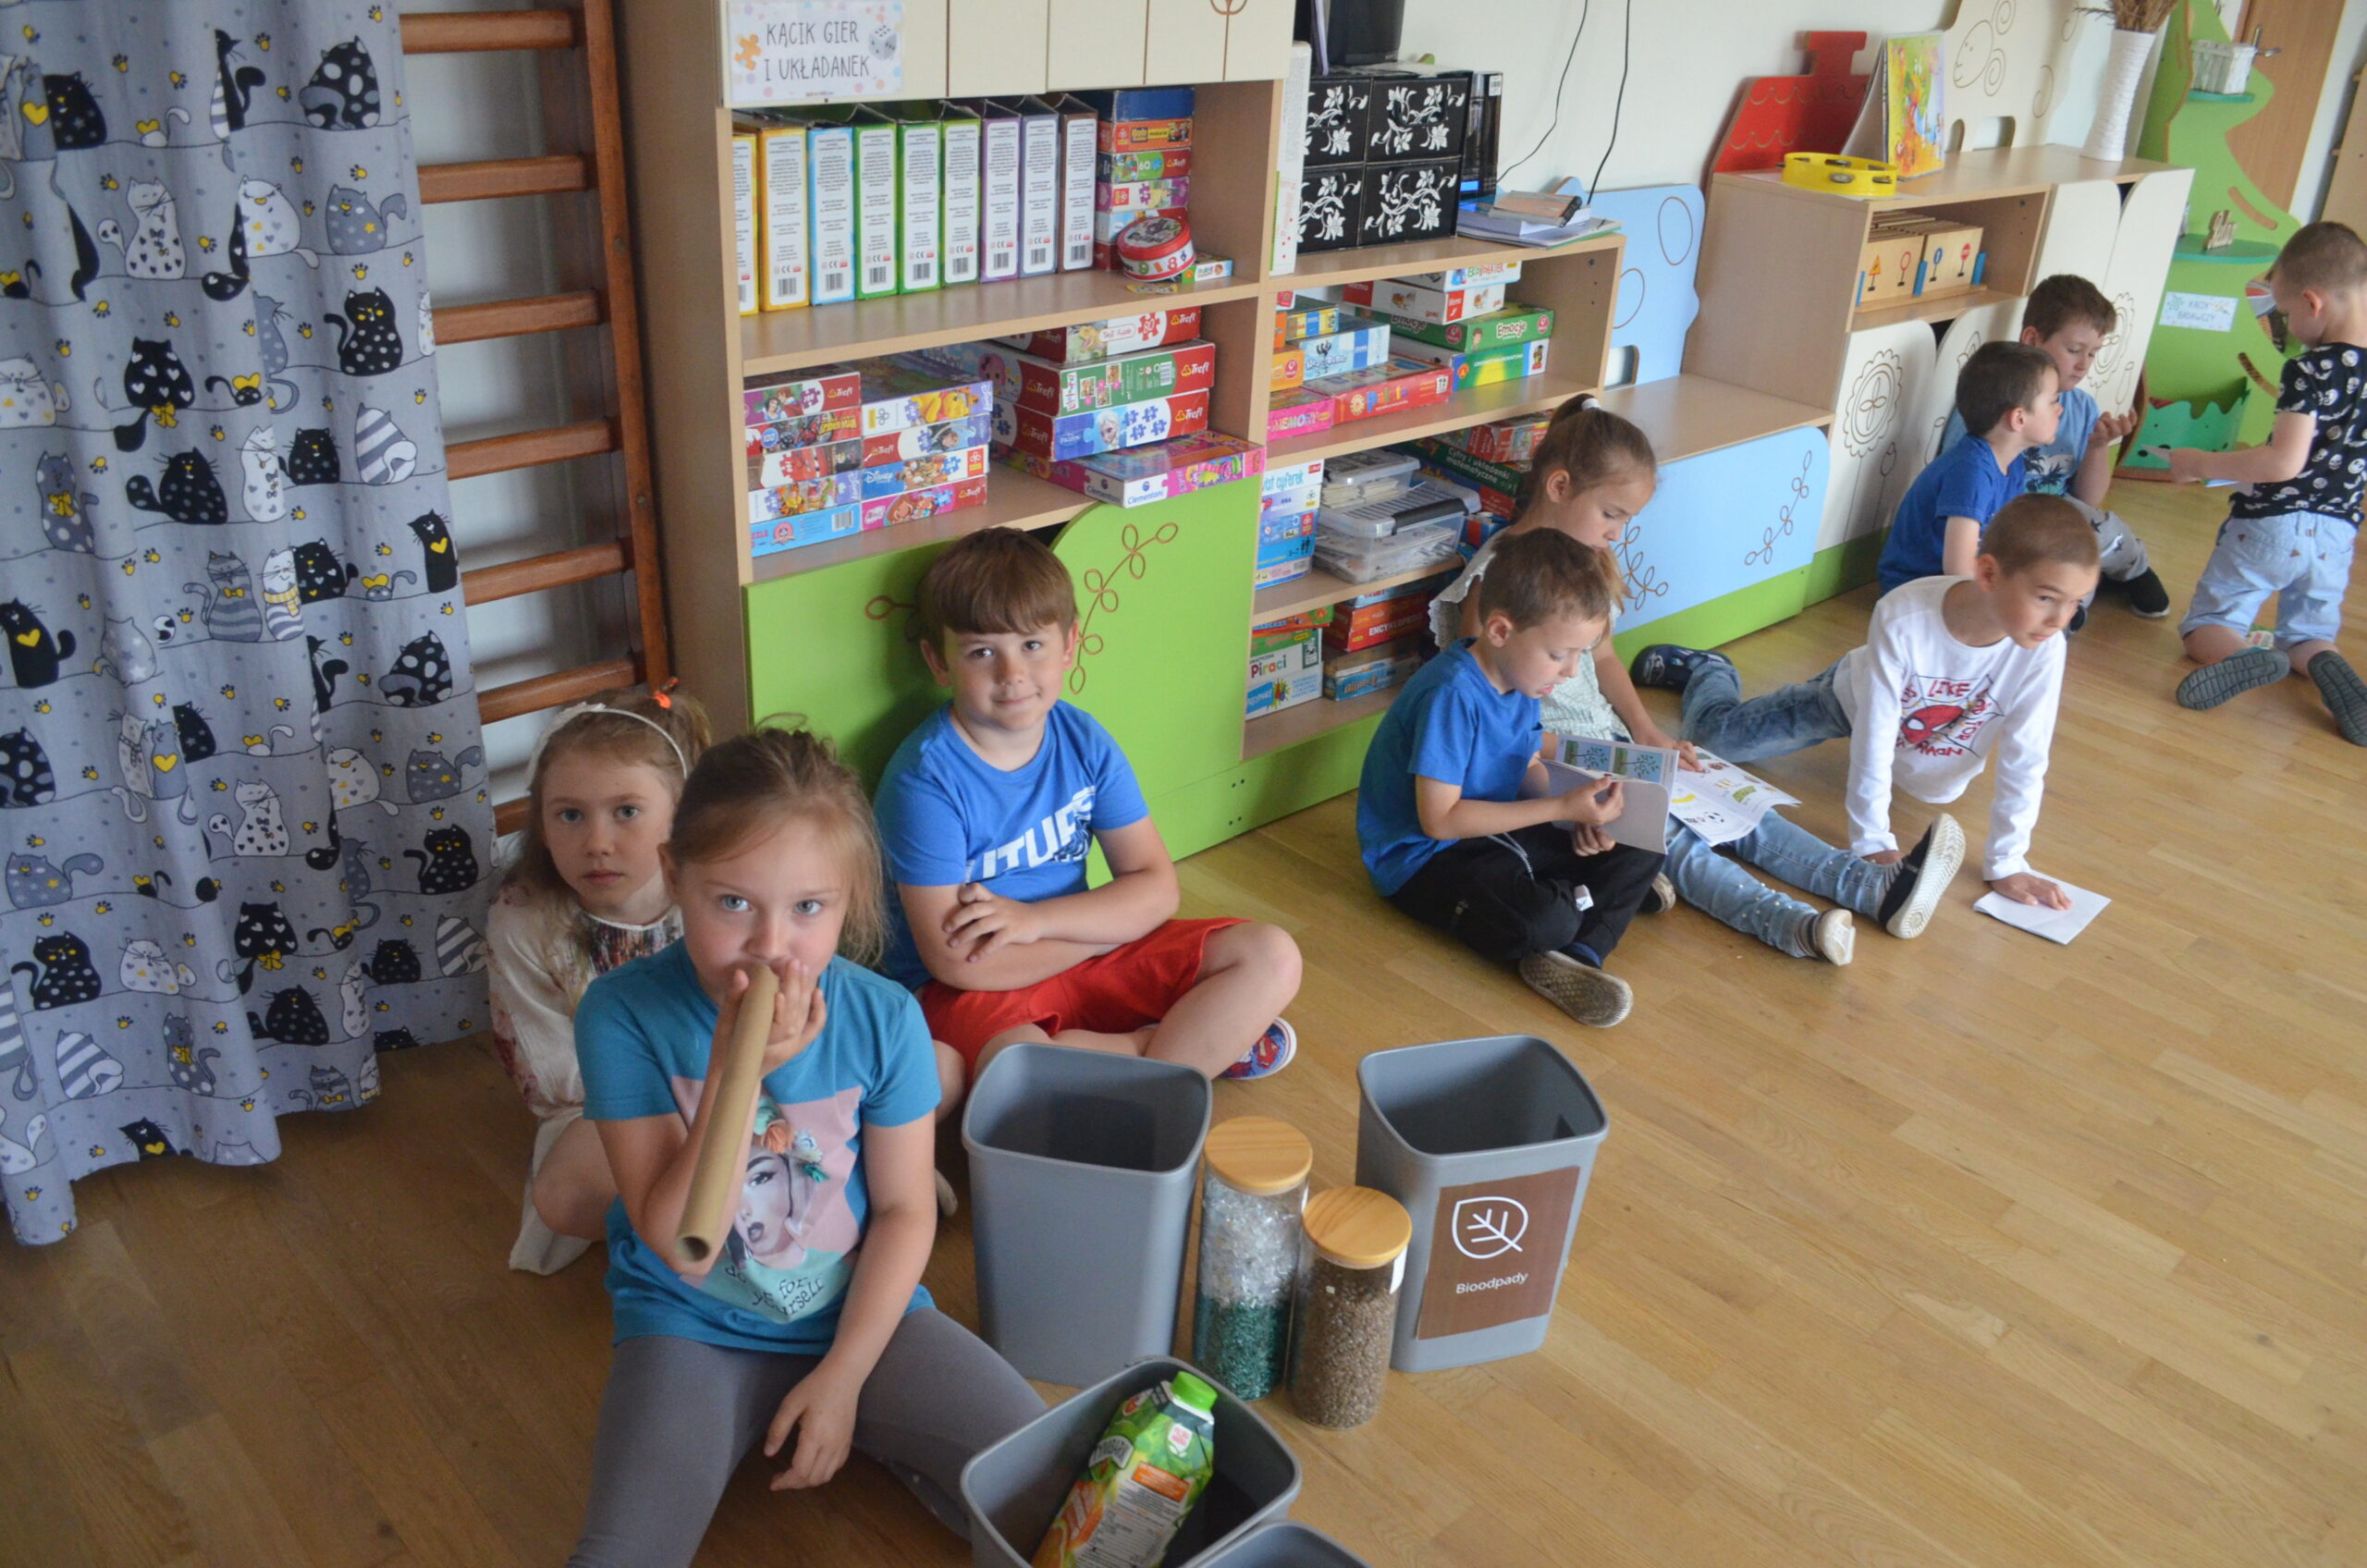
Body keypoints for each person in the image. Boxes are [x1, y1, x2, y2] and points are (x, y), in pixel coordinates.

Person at [566, 724, 1043, 1567]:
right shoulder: (622, 1014)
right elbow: (673, 1241)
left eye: (808, 908)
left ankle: (886, 1438)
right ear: (674, 876)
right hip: (689, 1324)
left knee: (1048, 1474)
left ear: (850, 900)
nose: (770, 945)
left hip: (860, 1314)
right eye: (733, 903)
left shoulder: (885, 1019)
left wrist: (843, 1379)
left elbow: (903, 1211)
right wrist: (733, 1074)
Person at [1441, 397, 1962, 964]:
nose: (1617, 533)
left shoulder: (1579, 565)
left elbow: (1605, 658)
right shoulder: (1497, 584)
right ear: (1560, 487)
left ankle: (1866, 884)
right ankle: (1788, 923)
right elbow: (1488, 718)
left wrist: (1647, 733)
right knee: (1672, 832)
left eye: (1625, 520)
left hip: (1606, 743)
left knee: (1730, 800)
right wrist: (1584, 774)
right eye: (1611, 514)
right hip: (1546, 761)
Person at [874, 527, 1303, 1090]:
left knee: (1270, 954)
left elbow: (1155, 887)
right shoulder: (924, 781)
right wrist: (1107, 930)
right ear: (938, 661)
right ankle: (1178, 1053)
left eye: (1032, 645)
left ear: (1069, 644)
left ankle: (1135, 1063)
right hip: (976, 991)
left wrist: (1039, 922)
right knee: (1024, 1063)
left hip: (1078, 947)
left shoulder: (1083, 740)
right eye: (982, 652)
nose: (1012, 675)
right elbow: (955, 962)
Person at [1635, 496, 2101, 913]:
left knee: (1934, 786)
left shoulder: (2044, 648)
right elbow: (1877, 734)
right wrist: (1873, 839)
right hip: (1848, 700)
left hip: (1922, 730)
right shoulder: (1904, 616)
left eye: (2075, 603)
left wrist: (2008, 861)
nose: (2059, 620)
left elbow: (2027, 756)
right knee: (1712, 739)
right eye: (2046, 598)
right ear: (1988, 574)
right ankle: (1710, 669)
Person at [1360, 527, 1663, 1026]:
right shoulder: (1451, 694)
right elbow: (1439, 821)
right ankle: (1587, 903)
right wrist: (1559, 809)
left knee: (1639, 842)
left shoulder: (1522, 678)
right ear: (1500, 631)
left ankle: (1582, 953)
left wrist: (1577, 819)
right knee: (1544, 918)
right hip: (1425, 859)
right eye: (1560, 654)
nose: (1571, 672)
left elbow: (1525, 764)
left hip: (1493, 826)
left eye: (1580, 655)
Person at [488, 688, 712, 1275]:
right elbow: (554, 1079)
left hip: (731, 1084)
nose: (596, 843)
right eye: (570, 815)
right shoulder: (523, 921)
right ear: (542, 822)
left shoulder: (712, 891)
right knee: (564, 1197)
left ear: (678, 813)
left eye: (627, 811)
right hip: (606, 1109)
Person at [2167, 220, 2367, 746]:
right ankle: (2322, 661)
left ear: (2312, 303)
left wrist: (2200, 462)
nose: (2288, 326)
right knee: (2309, 632)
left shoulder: (2311, 369)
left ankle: (2242, 655)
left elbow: (2283, 463)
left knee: (2208, 623)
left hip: (2271, 525)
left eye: (2284, 313)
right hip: (2337, 532)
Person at [1939, 274, 2170, 621]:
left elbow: (2088, 499)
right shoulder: (1989, 404)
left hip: (2055, 514)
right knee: (2042, 569)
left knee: (2104, 531)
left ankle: (2131, 570)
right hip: (2001, 519)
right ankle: (2071, 606)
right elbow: (1961, 479)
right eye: (2074, 350)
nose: (2084, 364)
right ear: (2032, 339)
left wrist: (2098, 447)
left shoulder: (2082, 407)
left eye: (2093, 353)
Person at [1877, 340, 2061, 594]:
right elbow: (1958, 569)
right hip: (1918, 589)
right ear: (2019, 418)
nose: (2060, 409)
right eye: (2053, 401)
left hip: (1956, 584)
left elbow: (2008, 539)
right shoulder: (1971, 471)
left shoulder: (2014, 463)